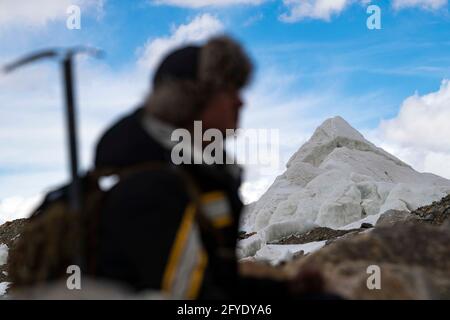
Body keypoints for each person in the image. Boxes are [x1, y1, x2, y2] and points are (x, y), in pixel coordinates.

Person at [93, 35, 318, 299]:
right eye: (229, 90)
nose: (240, 101)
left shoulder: (201, 175)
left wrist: (288, 291)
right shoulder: (152, 186)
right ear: (190, 99)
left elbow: (218, 284)